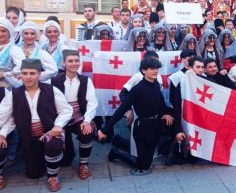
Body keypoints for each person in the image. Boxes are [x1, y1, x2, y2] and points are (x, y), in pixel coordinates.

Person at [0, 59, 73, 191]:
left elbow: (67, 110)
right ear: (20, 75)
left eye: (32, 73)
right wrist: (2, 134)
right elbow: (5, 117)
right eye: (25, 73)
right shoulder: (13, 95)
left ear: (39, 74)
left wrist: (58, 125)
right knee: (33, 174)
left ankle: (53, 176)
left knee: (53, 145)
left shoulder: (51, 90)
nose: (28, 77)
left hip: (50, 133)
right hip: (29, 138)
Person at [98, 58, 176, 175]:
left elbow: (161, 103)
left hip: (155, 126)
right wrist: (105, 130)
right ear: (144, 71)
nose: (155, 71)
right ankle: (116, 153)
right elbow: (121, 110)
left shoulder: (155, 84)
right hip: (142, 128)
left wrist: (166, 113)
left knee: (147, 162)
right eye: (152, 69)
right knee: (142, 165)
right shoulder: (137, 89)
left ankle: (118, 142)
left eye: (156, 68)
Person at [51, 50, 97, 179]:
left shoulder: (85, 80)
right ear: (64, 63)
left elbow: (92, 102)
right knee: (66, 161)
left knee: (86, 132)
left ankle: (84, 164)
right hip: (60, 118)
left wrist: (87, 120)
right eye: (70, 61)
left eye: (76, 61)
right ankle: (66, 151)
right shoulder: (54, 81)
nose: (74, 63)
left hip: (78, 116)